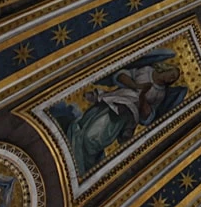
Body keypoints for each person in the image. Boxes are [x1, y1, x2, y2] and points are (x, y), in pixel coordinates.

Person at [52, 49, 185, 175]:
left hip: (127, 115)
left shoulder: (160, 93)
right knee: (87, 129)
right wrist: (137, 86)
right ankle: (74, 148)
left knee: (94, 140)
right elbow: (122, 75)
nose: (170, 79)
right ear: (166, 69)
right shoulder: (146, 71)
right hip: (115, 100)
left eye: (173, 79)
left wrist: (143, 96)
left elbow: (148, 116)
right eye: (171, 75)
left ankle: (82, 161)